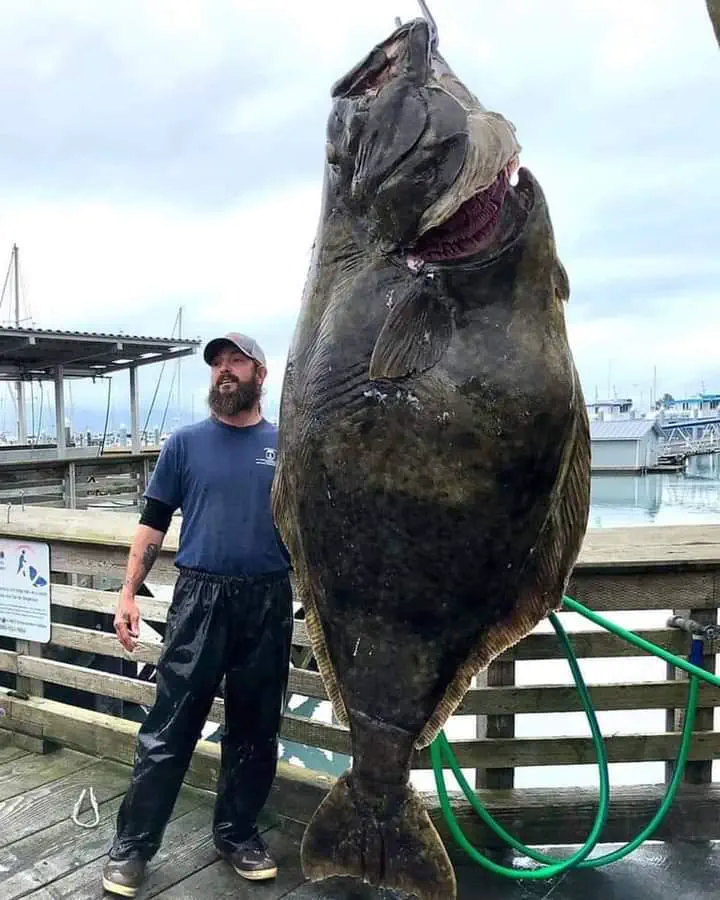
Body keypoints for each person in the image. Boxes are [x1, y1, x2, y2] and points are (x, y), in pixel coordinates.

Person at [102, 332, 293, 898]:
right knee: (170, 727)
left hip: (269, 598)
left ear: (260, 372)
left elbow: (318, 528)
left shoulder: (289, 447)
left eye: (236, 361)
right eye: (217, 364)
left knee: (257, 729)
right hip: (199, 601)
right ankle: (133, 846)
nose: (224, 371)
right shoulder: (183, 445)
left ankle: (236, 833)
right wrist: (128, 593)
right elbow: (153, 523)